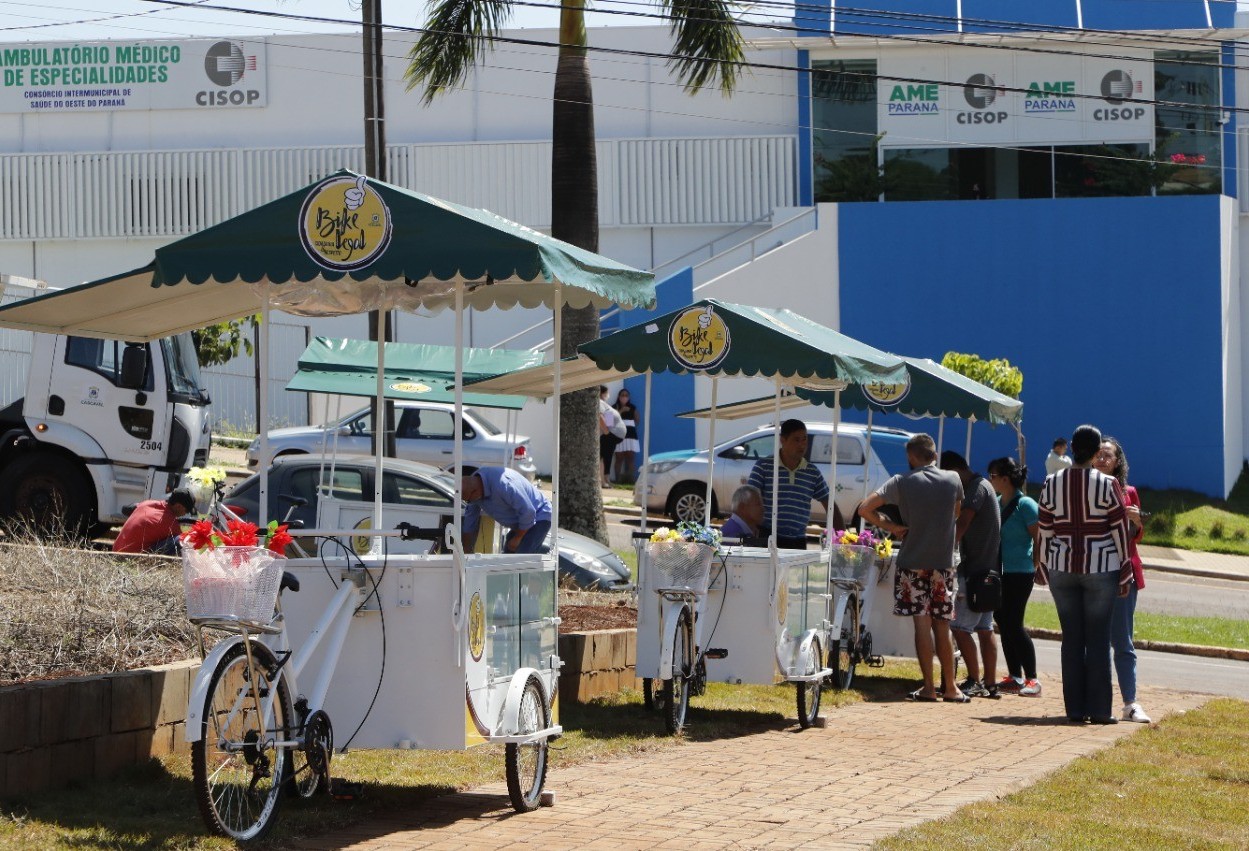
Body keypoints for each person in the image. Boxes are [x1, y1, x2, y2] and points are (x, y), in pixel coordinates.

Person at [859, 433, 967, 703]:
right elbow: (956, 513)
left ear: (911, 456)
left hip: (912, 563)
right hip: (943, 564)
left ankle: (929, 687)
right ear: (934, 454)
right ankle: (951, 688)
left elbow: (865, 509)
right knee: (942, 625)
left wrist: (892, 527)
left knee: (922, 624)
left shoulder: (901, 482)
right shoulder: (953, 480)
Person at [1037, 424, 1131, 725]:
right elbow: (1118, 528)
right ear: (1094, 453)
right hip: (1101, 565)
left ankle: (1075, 710)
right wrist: (1126, 568)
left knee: (1072, 639)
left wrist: (1041, 564)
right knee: (1099, 639)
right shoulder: (1107, 484)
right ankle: (1101, 711)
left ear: (1072, 448)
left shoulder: (1052, 482)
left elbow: (1045, 529)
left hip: (1061, 566)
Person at [1094, 437, 1151, 723]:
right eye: (1099, 454)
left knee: (1122, 640)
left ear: (1118, 462)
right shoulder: (1086, 491)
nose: (1103, 459)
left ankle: (1130, 702)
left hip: (1124, 573)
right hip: (1093, 572)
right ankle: (1097, 701)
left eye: (1108, 455)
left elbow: (1135, 537)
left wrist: (1137, 521)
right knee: (1095, 641)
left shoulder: (1128, 492)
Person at [940, 451, 1002, 699]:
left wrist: (945, 549)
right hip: (989, 570)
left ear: (955, 471)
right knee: (986, 628)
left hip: (975, 571)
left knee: (960, 627)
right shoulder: (985, 485)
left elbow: (963, 522)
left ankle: (975, 680)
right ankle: (990, 683)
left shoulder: (976, 488)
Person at [987, 456, 1042, 697]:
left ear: (1005, 479)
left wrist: (1037, 563)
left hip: (1020, 572)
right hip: (1000, 571)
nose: (991, 481)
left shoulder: (1025, 504)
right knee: (1003, 621)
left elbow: (1038, 536)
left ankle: (1032, 678)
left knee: (1014, 623)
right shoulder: (997, 502)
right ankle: (1015, 675)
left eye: (993, 477)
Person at [746, 419, 829, 550]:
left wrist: (840, 536)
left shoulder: (812, 472)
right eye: (796, 440)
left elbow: (829, 503)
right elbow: (749, 498)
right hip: (767, 536)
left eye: (804, 439)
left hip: (798, 541)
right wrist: (750, 525)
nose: (802, 445)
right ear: (782, 440)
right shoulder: (763, 466)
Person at [460, 467, 553, 554]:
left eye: (468, 500)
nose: (469, 502)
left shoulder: (504, 484)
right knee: (507, 558)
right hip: (522, 522)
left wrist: (517, 538)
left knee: (521, 559)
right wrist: (466, 552)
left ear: (475, 491)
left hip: (539, 515)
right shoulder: (472, 486)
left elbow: (529, 512)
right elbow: (470, 523)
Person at [113, 489, 196, 555]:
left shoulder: (147, 503)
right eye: (187, 510)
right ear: (178, 506)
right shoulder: (171, 524)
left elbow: (127, 509)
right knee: (181, 540)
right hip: (131, 558)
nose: (185, 514)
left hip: (115, 552)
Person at [598, 386, 626, 487]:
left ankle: (606, 479)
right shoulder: (599, 403)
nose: (608, 395)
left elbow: (609, 419)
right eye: (607, 393)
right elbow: (599, 416)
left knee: (607, 457)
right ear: (602, 393)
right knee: (603, 457)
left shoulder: (605, 405)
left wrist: (608, 430)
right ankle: (602, 481)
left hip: (612, 434)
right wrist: (606, 432)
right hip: (610, 434)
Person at [612, 389, 640, 485]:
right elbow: (610, 422)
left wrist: (630, 427)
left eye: (626, 395)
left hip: (631, 436)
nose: (624, 397)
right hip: (618, 435)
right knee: (619, 458)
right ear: (619, 396)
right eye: (622, 395)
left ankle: (631, 480)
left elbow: (637, 420)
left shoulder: (633, 407)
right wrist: (621, 410)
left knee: (630, 458)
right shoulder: (613, 407)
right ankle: (617, 480)